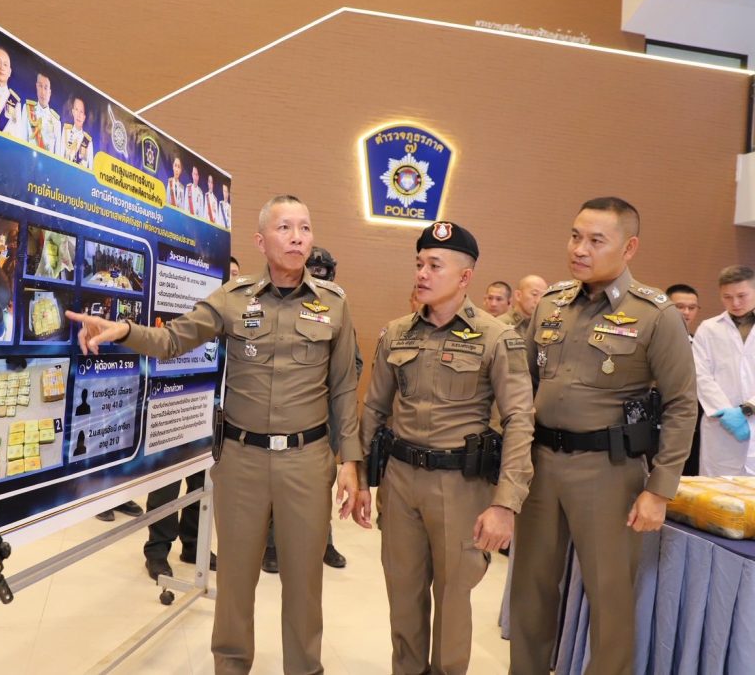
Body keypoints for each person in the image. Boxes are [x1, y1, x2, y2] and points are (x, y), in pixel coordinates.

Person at [66, 194, 361, 674]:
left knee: (305, 582)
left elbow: (345, 387)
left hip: (307, 462)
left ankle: (305, 668)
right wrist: (122, 330)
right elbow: (172, 340)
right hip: (242, 460)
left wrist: (350, 461)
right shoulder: (232, 298)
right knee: (237, 580)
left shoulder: (335, 305)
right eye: (285, 228)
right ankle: (231, 665)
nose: (297, 237)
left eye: (305, 228)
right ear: (261, 241)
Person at [509, 197, 697, 675]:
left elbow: (681, 405)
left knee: (609, 596)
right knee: (530, 590)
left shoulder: (656, 314)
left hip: (608, 473)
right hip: (541, 465)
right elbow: (521, 385)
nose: (580, 249)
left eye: (596, 240)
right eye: (575, 236)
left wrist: (660, 490)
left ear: (629, 247)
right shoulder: (551, 304)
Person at [356, 221, 534, 675]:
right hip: (400, 481)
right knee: (403, 595)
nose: (422, 273)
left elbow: (519, 420)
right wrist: (358, 476)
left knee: (454, 599)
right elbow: (374, 408)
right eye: (419, 263)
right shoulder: (397, 332)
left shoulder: (496, 338)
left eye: (435, 265)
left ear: (465, 276)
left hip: (461, 486)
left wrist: (506, 504)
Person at [262, 245, 356, 573]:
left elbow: (352, 364)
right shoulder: (279, 304)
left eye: (323, 273)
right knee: (277, 480)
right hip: (288, 410)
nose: (318, 277)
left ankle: (323, 541)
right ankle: (272, 544)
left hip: (326, 415)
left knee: (320, 482)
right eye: (313, 272)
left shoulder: (336, 308)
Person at [692, 265, 755, 476]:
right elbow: (700, 374)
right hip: (721, 423)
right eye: (727, 297)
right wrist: (725, 411)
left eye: (742, 296)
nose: (735, 303)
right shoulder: (709, 328)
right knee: (718, 488)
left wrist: (748, 408)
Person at [667, 283, 703, 475]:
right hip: (660, 417)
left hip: (693, 419)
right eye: (679, 306)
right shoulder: (650, 340)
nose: (686, 312)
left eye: (692, 307)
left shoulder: (701, 344)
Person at [20, 72, 61, 153]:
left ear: (50, 92)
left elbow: (57, 154)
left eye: (46, 88)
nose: (43, 92)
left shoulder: (56, 121)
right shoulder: (27, 109)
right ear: (36, 87)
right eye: (40, 86)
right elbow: (22, 141)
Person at [60, 95, 93, 169]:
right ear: (73, 112)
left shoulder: (88, 141)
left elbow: (90, 169)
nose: (79, 115)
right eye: (76, 110)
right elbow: (60, 157)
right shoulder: (66, 131)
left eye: (81, 112)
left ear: (84, 117)